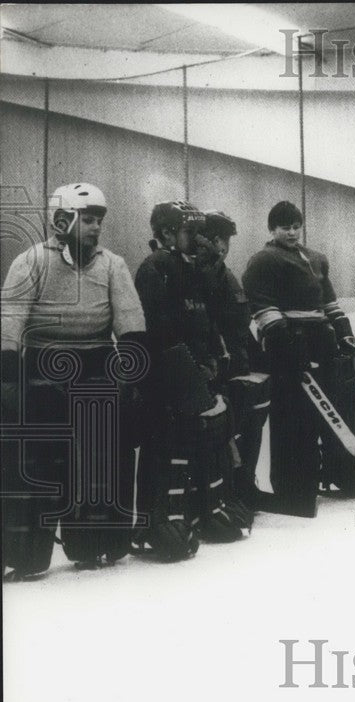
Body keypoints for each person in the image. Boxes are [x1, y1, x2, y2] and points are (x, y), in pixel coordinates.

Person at [1, 183, 146, 578]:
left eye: (99, 220)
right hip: (42, 372)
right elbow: (10, 321)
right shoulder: (30, 261)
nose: (96, 227)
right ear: (62, 220)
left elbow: (131, 323)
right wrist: (9, 382)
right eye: (88, 219)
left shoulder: (113, 264)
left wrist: (131, 381)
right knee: (37, 466)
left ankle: (98, 547)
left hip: (98, 368)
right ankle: (26, 557)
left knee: (101, 461)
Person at [242, 201, 355, 517]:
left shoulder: (315, 259)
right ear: (271, 229)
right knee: (293, 418)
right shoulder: (263, 260)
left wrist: (345, 332)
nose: (291, 232)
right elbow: (262, 306)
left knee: (332, 410)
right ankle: (293, 486)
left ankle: (337, 469)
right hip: (288, 345)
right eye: (284, 226)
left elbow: (329, 302)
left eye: (295, 225)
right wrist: (285, 342)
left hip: (321, 342)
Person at [134, 201, 247, 561]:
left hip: (198, 366)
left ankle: (202, 509)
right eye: (189, 232)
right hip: (167, 373)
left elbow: (209, 318)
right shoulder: (155, 269)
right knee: (170, 446)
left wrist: (213, 357)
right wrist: (184, 369)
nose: (199, 240)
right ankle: (159, 519)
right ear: (167, 233)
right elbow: (157, 326)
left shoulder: (197, 268)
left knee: (209, 437)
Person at [200, 210, 268, 518]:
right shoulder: (205, 273)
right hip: (221, 368)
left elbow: (241, 325)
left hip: (240, 363)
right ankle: (230, 490)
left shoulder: (225, 273)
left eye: (225, 240)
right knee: (230, 430)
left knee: (253, 418)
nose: (223, 245)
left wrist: (261, 359)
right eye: (219, 239)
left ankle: (244, 485)